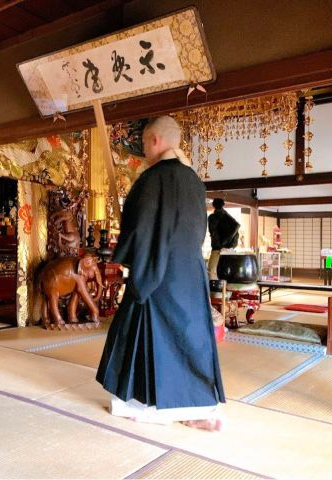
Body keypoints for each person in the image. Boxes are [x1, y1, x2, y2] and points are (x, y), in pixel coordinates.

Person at [96, 116, 225, 431]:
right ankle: (197, 407)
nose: (143, 149)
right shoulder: (194, 181)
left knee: (142, 337)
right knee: (190, 337)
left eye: (143, 143)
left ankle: (147, 406)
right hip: (190, 275)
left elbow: (140, 230)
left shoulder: (150, 180)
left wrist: (125, 241)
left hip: (156, 274)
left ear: (154, 140)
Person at [207, 198, 240, 280]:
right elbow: (236, 226)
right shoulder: (226, 215)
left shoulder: (213, 217)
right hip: (228, 249)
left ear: (213, 205)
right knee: (224, 273)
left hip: (218, 248)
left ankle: (215, 292)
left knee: (211, 272)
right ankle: (223, 291)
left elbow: (213, 232)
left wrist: (223, 241)